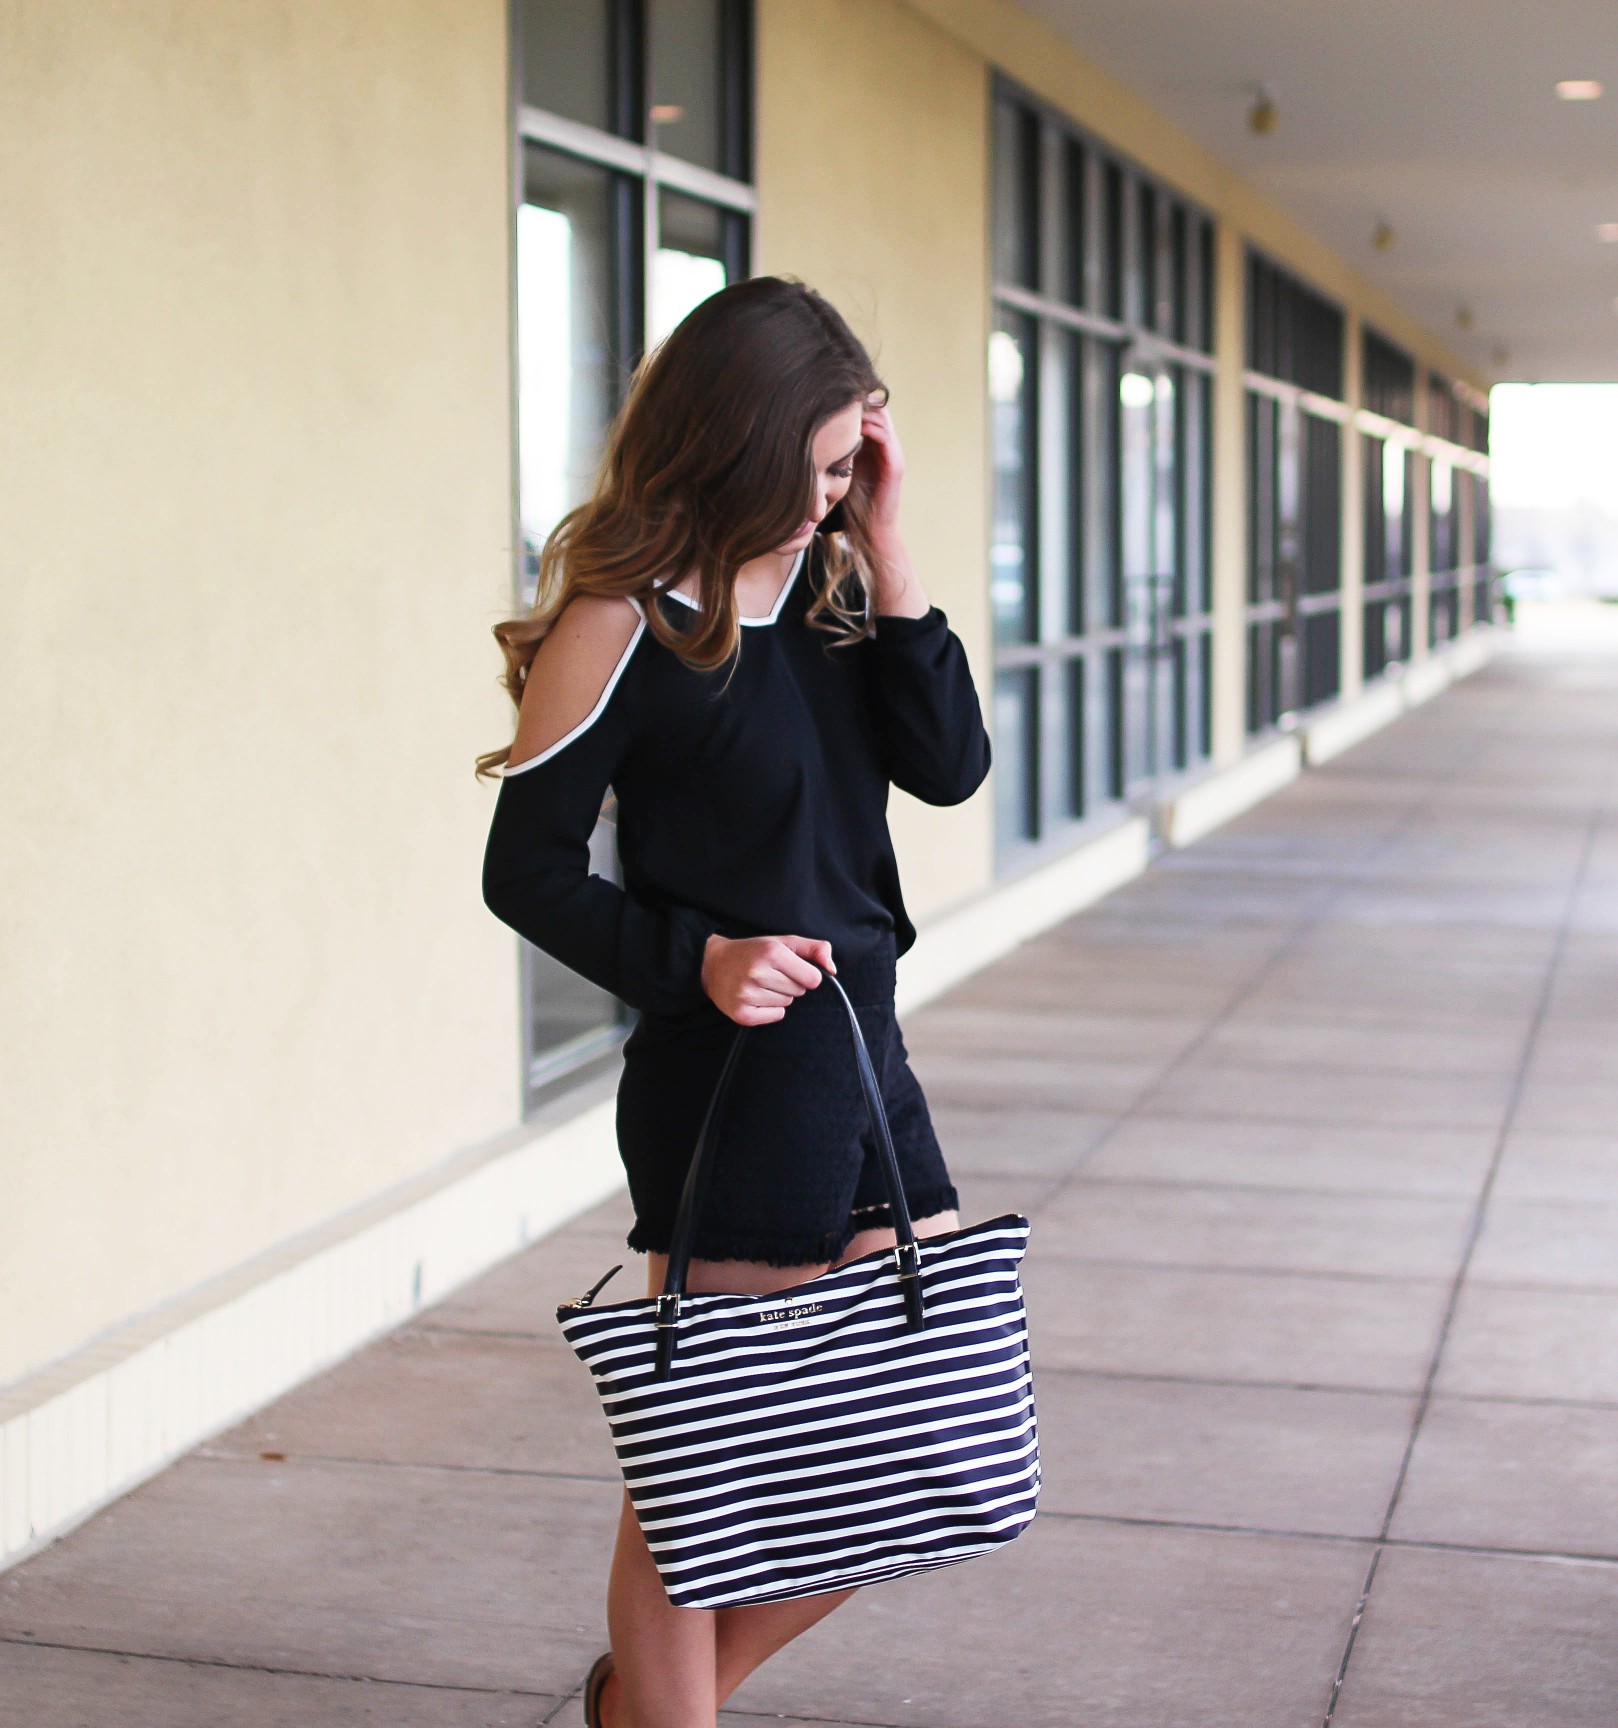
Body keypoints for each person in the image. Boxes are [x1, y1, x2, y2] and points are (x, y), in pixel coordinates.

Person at [479, 277, 989, 1728]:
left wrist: (888, 549)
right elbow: (526, 873)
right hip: (734, 1070)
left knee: (916, 1444)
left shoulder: (833, 596)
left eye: (849, 472)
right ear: (738, 442)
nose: (829, 498)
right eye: (819, 470)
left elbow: (950, 767)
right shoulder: (627, 619)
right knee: (706, 1483)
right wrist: (694, 958)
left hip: (864, 1049)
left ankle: (642, 1708)